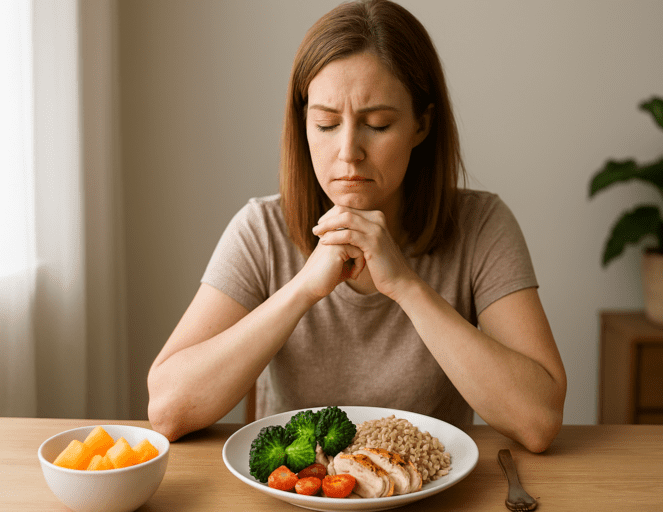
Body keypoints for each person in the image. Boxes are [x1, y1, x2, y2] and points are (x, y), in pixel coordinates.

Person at [147, 0, 566, 453]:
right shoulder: (261, 228)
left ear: (422, 124)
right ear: (302, 124)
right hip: (300, 494)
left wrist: (406, 285)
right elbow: (168, 409)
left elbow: (538, 420)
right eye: (326, 124)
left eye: (378, 124)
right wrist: (304, 287)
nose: (349, 151)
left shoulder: (482, 225)